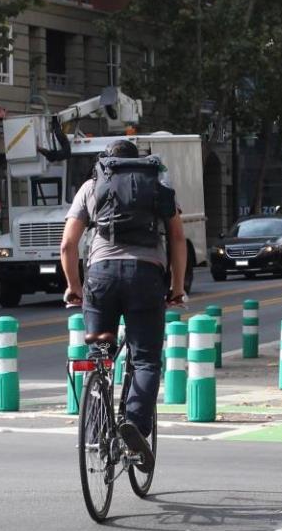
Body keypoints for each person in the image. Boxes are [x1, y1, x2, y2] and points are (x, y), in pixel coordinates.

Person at [61, 139, 188, 470]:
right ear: (141, 163)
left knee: (99, 358)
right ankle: (134, 423)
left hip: (101, 278)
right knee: (145, 360)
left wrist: (75, 288)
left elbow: (67, 245)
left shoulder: (92, 186)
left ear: (107, 163)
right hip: (147, 277)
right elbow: (177, 238)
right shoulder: (158, 184)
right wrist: (176, 288)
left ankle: (95, 433)